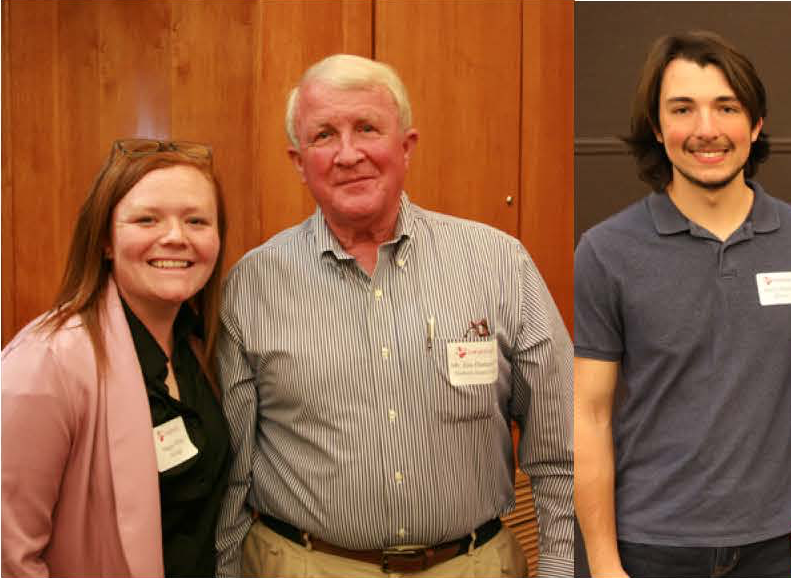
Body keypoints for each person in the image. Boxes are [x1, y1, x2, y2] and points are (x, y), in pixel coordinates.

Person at [213, 54, 574, 578]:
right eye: (323, 136)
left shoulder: (499, 263)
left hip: (472, 565)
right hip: (305, 565)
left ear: (406, 146)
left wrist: (561, 566)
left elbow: (558, 450)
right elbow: (232, 475)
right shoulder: (251, 285)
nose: (348, 153)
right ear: (297, 161)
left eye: (366, 128)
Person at [574, 30, 791, 578]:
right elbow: (589, 414)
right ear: (657, 126)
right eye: (682, 109)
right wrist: (603, 562)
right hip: (649, 546)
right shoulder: (606, 250)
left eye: (726, 107)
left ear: (756, 123)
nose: (706, 130)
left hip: (779, 541)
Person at [3, 140, 229, 578]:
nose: (176, 237)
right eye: (147, 219)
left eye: (197, 221)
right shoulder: (46, 363)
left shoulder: (202, 349)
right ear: (105, 240)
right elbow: (9, 556)